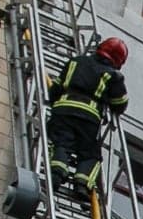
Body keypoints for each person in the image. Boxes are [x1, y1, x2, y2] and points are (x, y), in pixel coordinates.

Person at [44, 37, 129, 196]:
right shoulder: (113, 76)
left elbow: (55, 89)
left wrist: (57, 106)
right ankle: (82, 184)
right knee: (90, 154)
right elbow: (120, 104)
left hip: (63, 110)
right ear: (119, 61)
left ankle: (56, 175)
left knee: (60, 143)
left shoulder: (76, 62)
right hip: (89, 118)